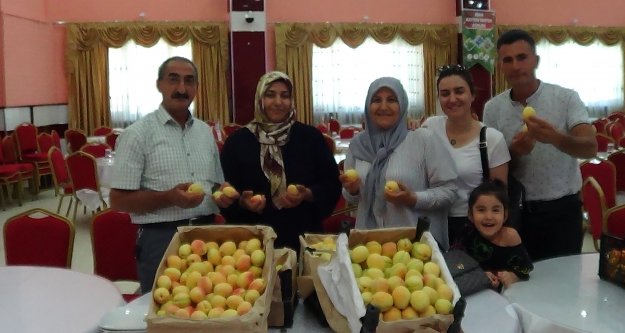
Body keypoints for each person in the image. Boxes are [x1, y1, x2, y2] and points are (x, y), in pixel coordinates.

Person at [109, 56, 223, 293]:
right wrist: (169, 198)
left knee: (209, 311)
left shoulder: (204, 132)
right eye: (174, 80)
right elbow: (118, 200)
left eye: (189, 81)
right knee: (164, 315)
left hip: (208, 236)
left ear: (197, 88)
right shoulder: (137, 134)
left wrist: (226, 195)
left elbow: (216, 187)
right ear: (159, 84)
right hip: (161, 240)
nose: (182, 88)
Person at [483, 29, 597, 261]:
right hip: (517, 213)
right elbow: (494, 169)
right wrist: (515, 151)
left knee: (564, 285)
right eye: (508, 60)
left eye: (522, 57)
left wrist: (554, 137)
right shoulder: (493, 109)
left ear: (536, 60)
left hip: (562, 211)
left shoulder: (566, 98)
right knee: (519, 284)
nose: (515, 66)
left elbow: (590, 147)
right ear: (501, 65)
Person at [216, 71, 341, 251]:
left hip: (303, 236)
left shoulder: (310, 137)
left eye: (285, 96)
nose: (278, 102)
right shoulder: (238, 142)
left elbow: (331, 183)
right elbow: (225, 193)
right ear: (259, 99)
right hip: (252, 242)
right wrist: (243, 202)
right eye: (270, 95)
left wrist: (307, 194)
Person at [340, 77, 458, 249]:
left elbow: (449, 191)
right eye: (376, 100)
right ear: (367, 105)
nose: (383, 106)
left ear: (402, 104)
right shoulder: (358, 145)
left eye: (392, 100)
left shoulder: (423, 140)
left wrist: (413, 199)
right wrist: (352, 190)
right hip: (369, 246)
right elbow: (353, 197)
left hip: (414, 246)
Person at [422, 65, 510, 248]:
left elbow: (499, 196)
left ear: (472, 95)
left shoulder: (493, 139)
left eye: (459, 91)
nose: (452, 99)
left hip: (474, 226)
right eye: (445, 93)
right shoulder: (430, 127)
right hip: (433, 221)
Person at [463, 179, 533, 289]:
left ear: (505, 215)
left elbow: (525, 270)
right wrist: (479, 276)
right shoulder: (467, 232)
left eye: (495, 210)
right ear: (470, 215)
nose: (489, 217)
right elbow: (454, 266)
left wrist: (512, 276)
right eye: (481, 210)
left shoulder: (510, 236)